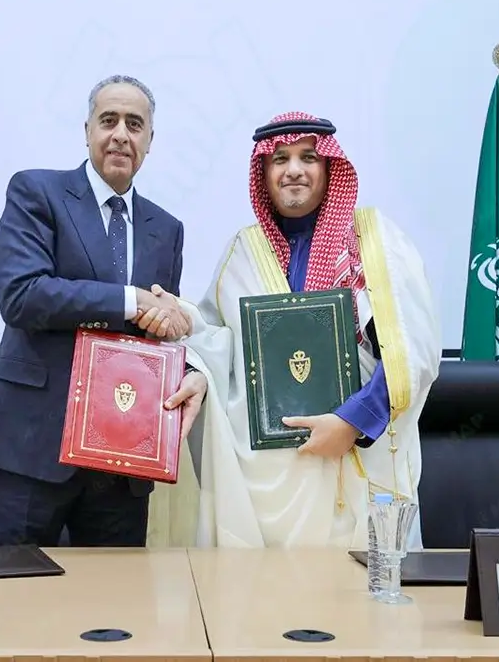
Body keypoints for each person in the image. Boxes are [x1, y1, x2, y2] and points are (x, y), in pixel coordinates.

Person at [158, 111, 442, 548]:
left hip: (357, 462)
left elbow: (411, 350)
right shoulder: (242, 252)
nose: (293, 169)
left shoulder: (374, 241)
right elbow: (219, 340)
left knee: (357, 607)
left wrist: (352, 423)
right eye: (280, 159)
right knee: (271, 606)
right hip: (269, 487)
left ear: (329, 167)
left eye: (308, 157)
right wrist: (197, 372)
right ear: (263, 173)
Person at [0, 75, 200, 548]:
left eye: (134, 124)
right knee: (11, 600)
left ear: (149, 142)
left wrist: (179, 339)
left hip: (123, 459)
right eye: (108, 120)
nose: (121, 134)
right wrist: (133, 300)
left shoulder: (167, 228)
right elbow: (22, 294)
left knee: (117, 614)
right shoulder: (37, 192)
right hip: (33, 448)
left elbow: (156, 336)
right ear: (87, 130)